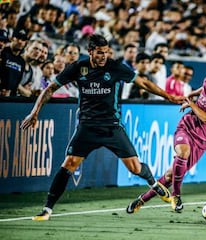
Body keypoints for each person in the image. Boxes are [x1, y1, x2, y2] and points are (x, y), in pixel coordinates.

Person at [20, 34, 184, 221]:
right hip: (87, 127)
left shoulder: (114, 67)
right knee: (68, 164)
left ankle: (154, 183)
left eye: (106, 52)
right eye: (99, 53)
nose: (103, 56)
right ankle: (47, 209)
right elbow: (50, 89)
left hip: (111, 127)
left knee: (135, 167)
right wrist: (34, 113)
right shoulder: (77, 68)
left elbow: (144, 83)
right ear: (90, 52)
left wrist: (168, 96)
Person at [126, 64, 206, 214]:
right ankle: (176, 196)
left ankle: (141, 200)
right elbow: (202, 90)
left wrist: (191, 103)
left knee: (169, 175)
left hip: (203, 139)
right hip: (187, 125)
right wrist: (191, 96)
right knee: (183, 151)